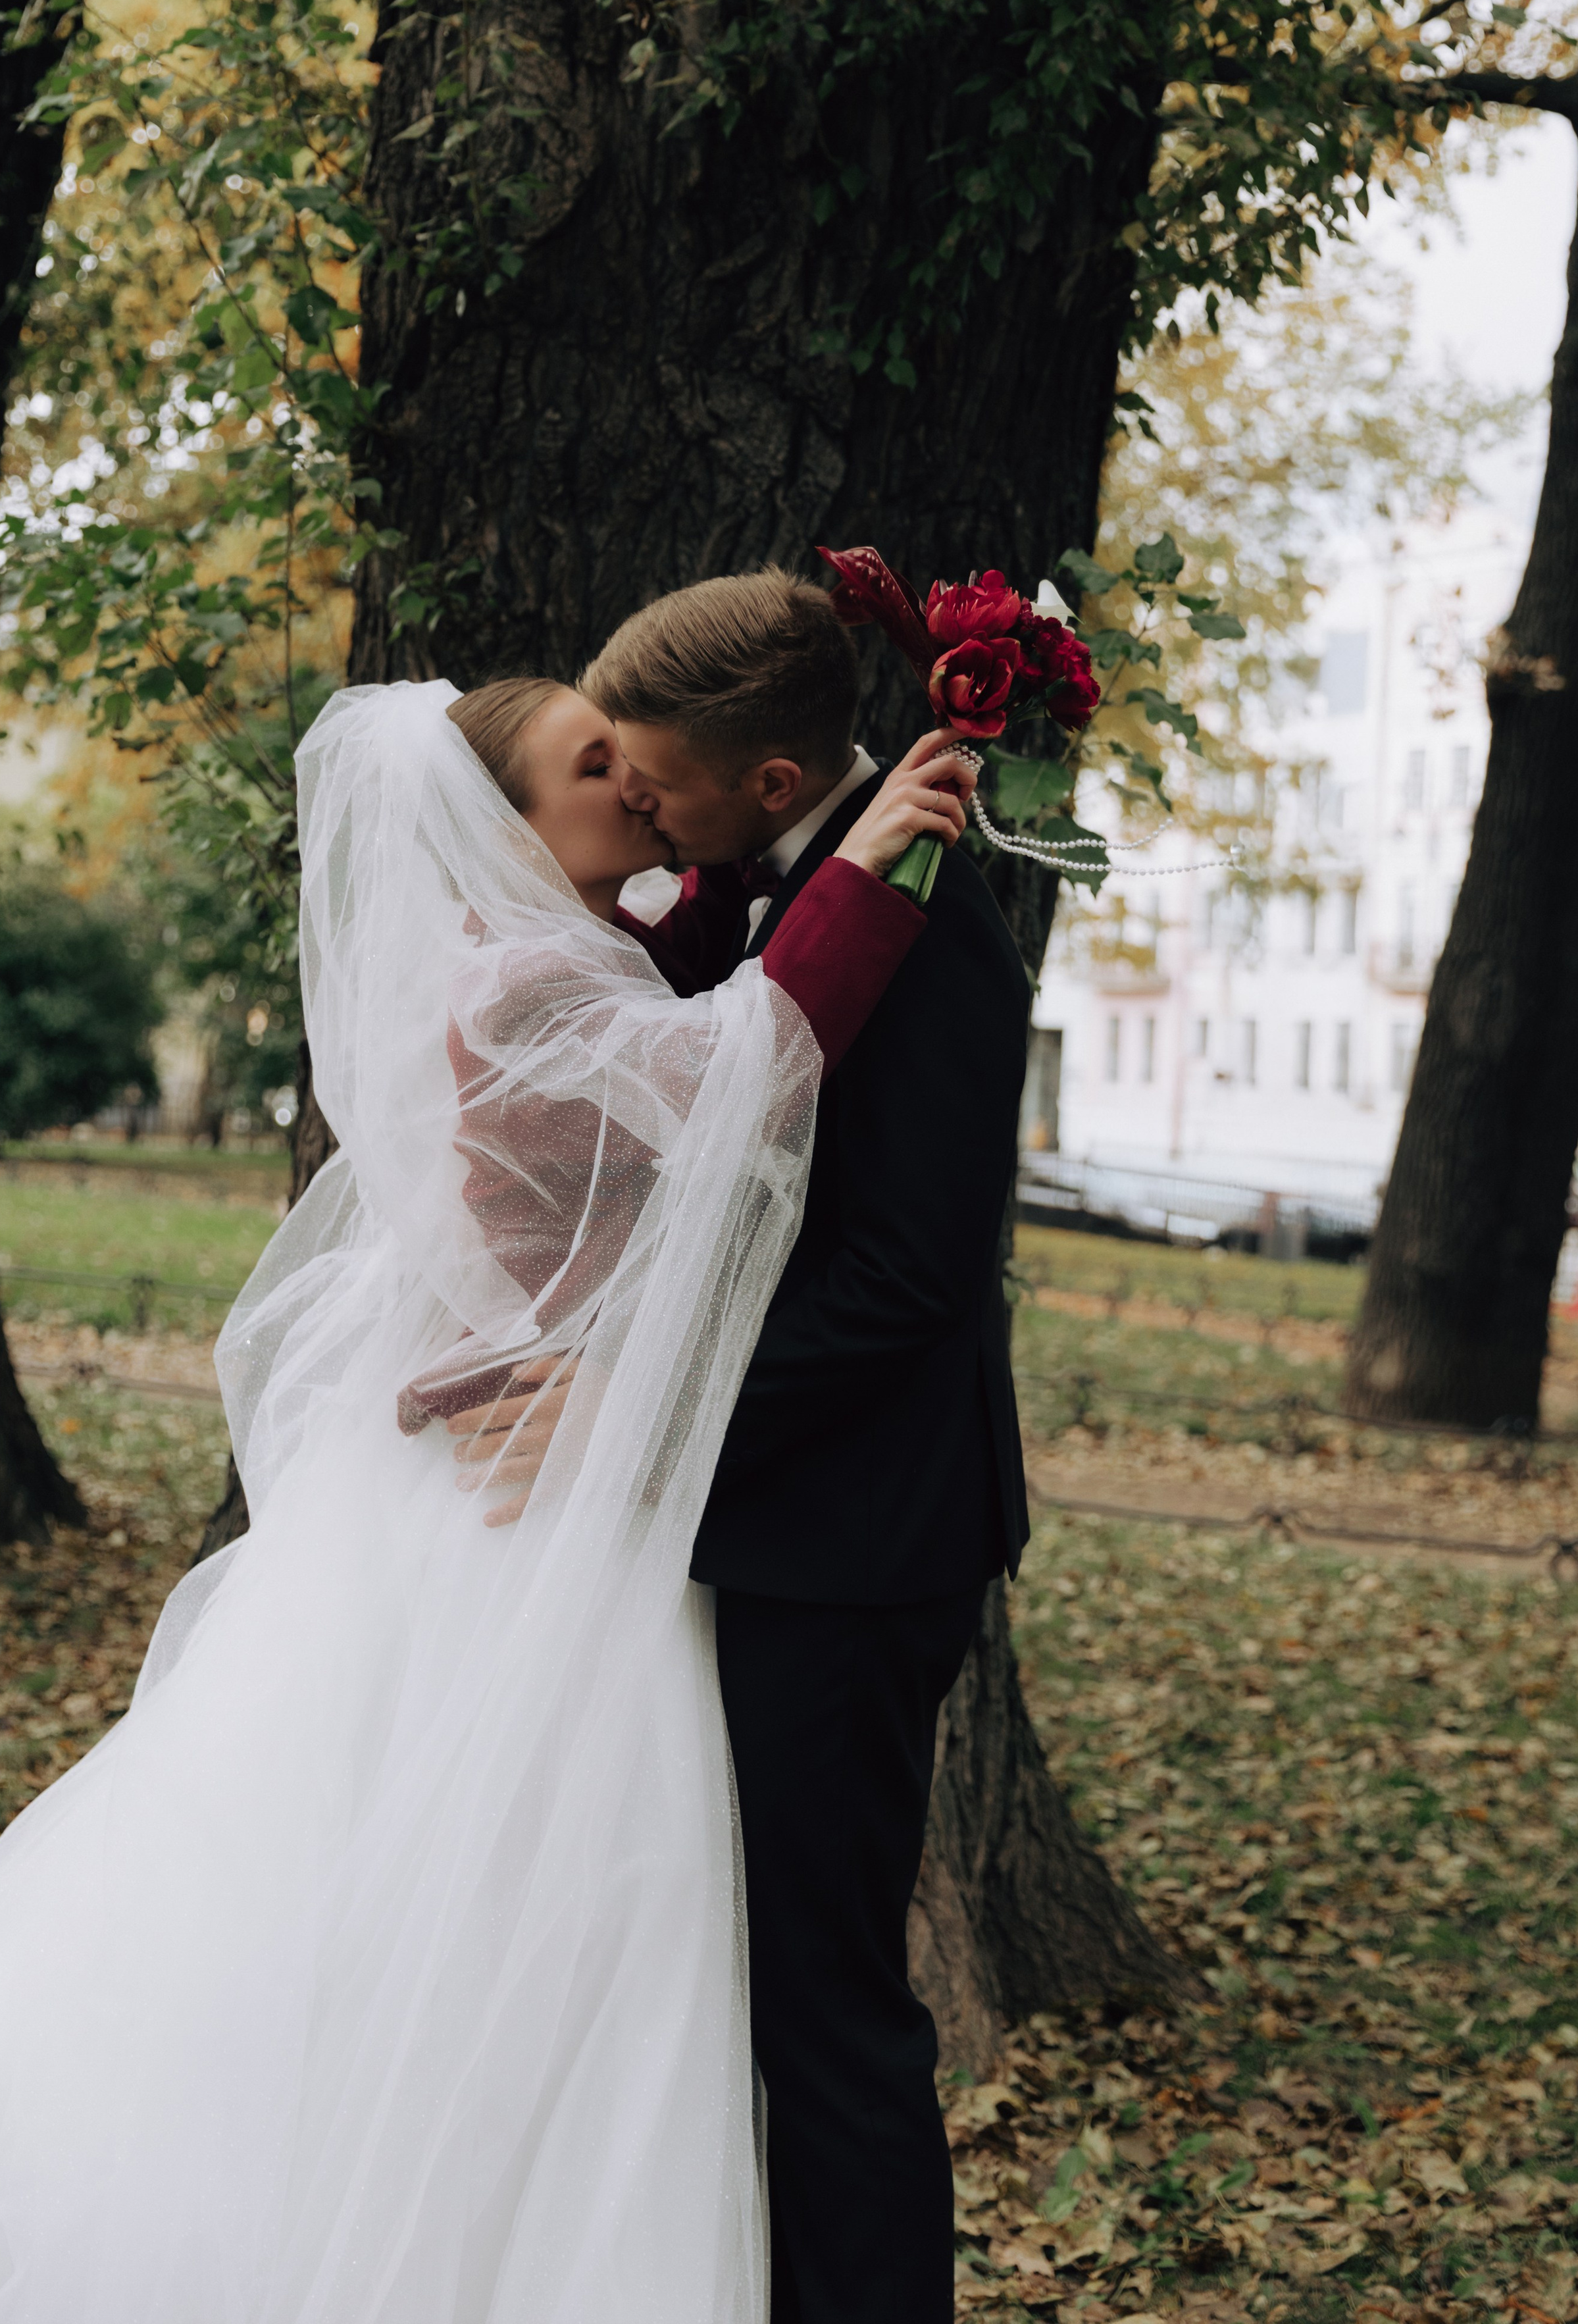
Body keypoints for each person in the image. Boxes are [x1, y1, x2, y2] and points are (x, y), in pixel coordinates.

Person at [0, 668, 971, 2321]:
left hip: (568, 1495)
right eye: (590, 763)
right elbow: (737, 1072)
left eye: (626, 752)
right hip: (517, 1513)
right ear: (501, 822)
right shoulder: (531, 980)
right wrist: (860, 870)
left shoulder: (599, 949)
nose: (631, 778)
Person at [582, 565, 1032, 2324]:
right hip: (766, 1526)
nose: (636, 804)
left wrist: (648, 1420)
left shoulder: (940, 938)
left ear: (773, 786)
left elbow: (902, 1284)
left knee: (828, 2008)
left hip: (852, 1545)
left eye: (658, 781)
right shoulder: (771, 891)